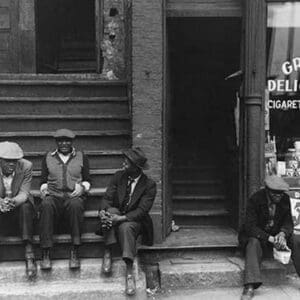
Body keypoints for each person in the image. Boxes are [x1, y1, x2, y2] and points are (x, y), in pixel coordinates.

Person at [97, 147, 156, 296]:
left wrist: (121, 219)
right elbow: (107, 198)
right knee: (110, 213)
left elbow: (142, 211)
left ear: (137, 168)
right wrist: (103, 212)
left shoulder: (149, 185)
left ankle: (129, 272)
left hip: (135, 220)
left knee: (125, 228)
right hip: (117, 212)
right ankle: (108, 251)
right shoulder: (119, 177)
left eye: (127, 163)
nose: (123, 165)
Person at [39, 129, 91, 270]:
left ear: (72, 142)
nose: (64, 144)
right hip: (54, 197)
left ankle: (75, 249)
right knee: (46, 205)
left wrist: (82, 188)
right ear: (56, 142)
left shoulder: (81, 156)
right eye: (60, 141)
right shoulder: (48, 157)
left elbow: (87, 180)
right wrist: (44, 190)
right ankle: (46, 252)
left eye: (67, 141)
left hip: (72, 196)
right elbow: (43, 180)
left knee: (76, 205)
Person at [239, 175, 293, 299]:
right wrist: (269, 238)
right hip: (259, 237)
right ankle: (250, 285)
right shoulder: (255, 199)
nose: (279, 196)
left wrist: (282, 234)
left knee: (296, 239)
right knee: (253, 242)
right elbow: (250, 227)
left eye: (281, 193)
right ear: (267, 191)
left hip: (275, 236)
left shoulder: (285, 199)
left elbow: (288, 222)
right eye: (275, 194)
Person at [0, 141, 36, 279]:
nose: (12, 165)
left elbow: (24, 192)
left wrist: (12, 202)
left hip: (17, 206)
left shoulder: (26, 166)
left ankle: (29, 252)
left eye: (14, 161)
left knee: (26, 206)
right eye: (7, 161)